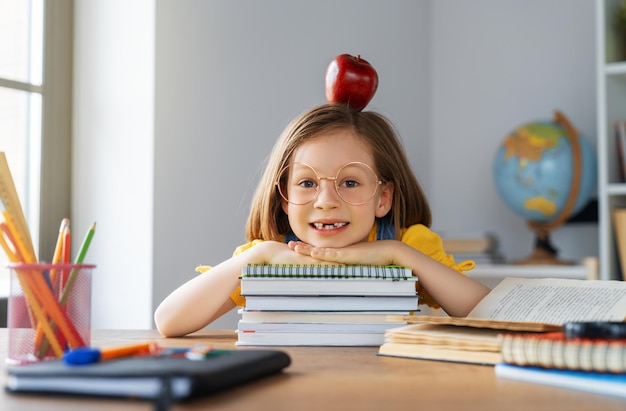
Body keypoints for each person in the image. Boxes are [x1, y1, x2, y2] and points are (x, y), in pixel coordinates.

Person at [154, 103, 491, 337]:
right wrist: (258, 256)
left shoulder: (407, 244)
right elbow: (169, 321)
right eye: (307, 183)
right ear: (284, 197)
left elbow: (492, 317)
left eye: (350, 182)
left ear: (383, 197)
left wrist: (400, 255)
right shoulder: (267, 259)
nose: (326, 202)